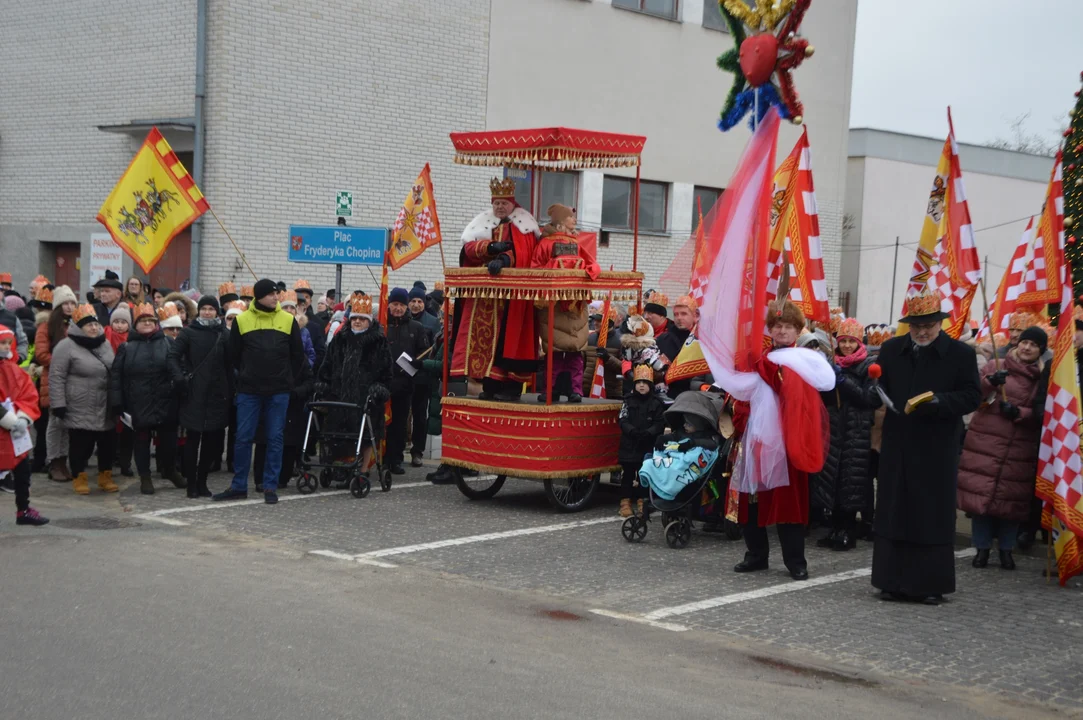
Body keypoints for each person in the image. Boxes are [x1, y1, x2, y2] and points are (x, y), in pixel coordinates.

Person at [871, 287, 981, 604]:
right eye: (916, 325)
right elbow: (882, 387)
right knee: (894, 510)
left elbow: (972, 396)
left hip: (936, 446)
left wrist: (939, 402)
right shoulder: (892, 350)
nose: (922, 331)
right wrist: (872, 390)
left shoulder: (961, 354)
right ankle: (890, 580)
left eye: (928, 325)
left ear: (940, 324)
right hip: (899, 443)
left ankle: (929, 585)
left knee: (929, 514)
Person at [733, 299, 821, 581]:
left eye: (788, 327)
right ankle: (755, 555)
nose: (782, 331)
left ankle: (795, 561)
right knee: (752, 500)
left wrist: (762, 363)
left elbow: (788, 390)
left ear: (798, 331)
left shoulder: (802, 360)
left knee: (789, 504)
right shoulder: (761, 357)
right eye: (777, 326)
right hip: (756, 439)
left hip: (788, 440)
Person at [957, 326, 1046, 571]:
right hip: (986, 442)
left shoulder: (1041, 376)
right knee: (982, 498)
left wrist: (1020, 413)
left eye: (1034, 345)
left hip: (1018, 446)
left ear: (1040, 351)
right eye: (1025, 342)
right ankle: (982, 549)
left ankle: (1007, 550)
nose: (1027, 348)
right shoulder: (996, 365)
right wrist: (989, 382)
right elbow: (973, 396)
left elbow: (1042, 410)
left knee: (1010, 501)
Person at [215, 279, 305, 505]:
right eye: (272, 294)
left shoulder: (287, 320)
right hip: (249, 390)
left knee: (275, 438)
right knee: (243, 437)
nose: (276, 297)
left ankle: (269, 486)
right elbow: (234, 355)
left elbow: (297, 355)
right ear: (260, 296)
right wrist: (246, 373)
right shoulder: (243, 320)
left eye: (277, 294)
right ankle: (239, 486)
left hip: (278, 391)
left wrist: (286, 379)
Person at [452, 177, 540, 401]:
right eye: (496, 203)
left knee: (508, 342)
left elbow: (523, 254)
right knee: (483, 343)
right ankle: (490, 384)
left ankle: (509, 388)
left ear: (513, 205)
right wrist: (490, 247)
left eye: (504, 203)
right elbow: (468, 250)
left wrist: (504, 259)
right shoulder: (483, 222)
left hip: (511, 298)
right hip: (484, 298)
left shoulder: (524, 226)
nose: (500, 207)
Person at [813, 317, 877, 551]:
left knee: (851, 481)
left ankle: (848, 531)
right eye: (843, 341)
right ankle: (834, 528)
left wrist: (842, 381)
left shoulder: (869, 365)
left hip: (855, 431)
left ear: (859, 342)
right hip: (834, 429)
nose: (847, 346)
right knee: (833, 480)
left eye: (851, 341)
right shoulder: (832, 362)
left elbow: (869, 397)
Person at [110, 303, 184, 495]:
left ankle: (170, 471)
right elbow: (116, 376)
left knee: (169, 441)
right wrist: (117, 402)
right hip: (138, 401)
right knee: (141, 441)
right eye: (143, 321)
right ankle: (145, 477)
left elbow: (178, 368)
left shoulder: (168, 343)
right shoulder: (126, 347)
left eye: (151, 321)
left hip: (165, 400)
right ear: (136, 325)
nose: (147, 324)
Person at [318, 294, 392, 475]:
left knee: (366, 435)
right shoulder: (339, 339)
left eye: (361, 319)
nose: (357, 322)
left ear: (369, 321)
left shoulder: (378, 342)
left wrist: (379, 389)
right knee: (338, 433)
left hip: (366, 399)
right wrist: (323, 384)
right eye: (354, 318)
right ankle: (339, 468)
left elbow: (386, 374)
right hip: (340, 396)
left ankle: (363, 469)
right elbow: (327, 365)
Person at [531, 204, 598, 403]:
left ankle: (574, 390)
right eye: (570, 216)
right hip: (554, 304)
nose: (574, 220)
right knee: (555, 351)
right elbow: (536, 269)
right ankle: (551, 389)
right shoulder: (545, 244)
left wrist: (587, 272)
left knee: (576, 352)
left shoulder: (577, 242)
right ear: (561, 221)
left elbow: (591, 264)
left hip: (576, 304)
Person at [48, 304, 117, 494]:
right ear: (78, 327)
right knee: (81, 445)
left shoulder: (105, 344)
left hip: (105, 404)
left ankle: (105, 476)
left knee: (107, 444)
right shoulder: (65, 346)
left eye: (95, 324)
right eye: (88, 325)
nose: (93, 328)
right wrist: (58, 404)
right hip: (80, 404)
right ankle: (79, 476)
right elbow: (56, 376)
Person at [169, 296, 232, 499]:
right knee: (192, 440)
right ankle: (191, 484)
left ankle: (203, 482)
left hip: (217, 394)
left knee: (211, 443)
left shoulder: (224, 334)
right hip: (193, 393)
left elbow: (231, 364)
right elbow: (172, 357)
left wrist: (230, 391)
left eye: (211, 309)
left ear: (217, 312)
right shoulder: (188, 332)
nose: (207, 312)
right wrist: (179, 378)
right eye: (203, 308)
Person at [0, 326, 48, 525]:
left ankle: (24, 509)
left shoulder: (12, 368)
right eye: (2, 343)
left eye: (7, 343)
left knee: (22, 471)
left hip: (15, 431)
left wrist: (23, 417)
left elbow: (29, 394)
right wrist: (9, 420)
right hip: (7, 427)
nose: (5, 347)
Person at [384, 287, 430, 474]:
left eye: (401, 305)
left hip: (404, 383)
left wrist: (416, 364)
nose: (398, 308)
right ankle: (380, 457)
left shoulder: (416, 328)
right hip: (383, 383)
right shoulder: (381, 325)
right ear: (389, 305)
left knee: (400, 423)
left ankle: (395, 460)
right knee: (382, 422)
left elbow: (424, 353)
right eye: (394, 304)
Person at [37, 284, 78, 482]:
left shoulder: (77, 325)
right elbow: (41, 354)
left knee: (67, 423)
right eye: (65, 303)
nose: (69, 307)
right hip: (53, 380)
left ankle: (63, 461)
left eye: (72, 303)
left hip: (73, 381)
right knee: (54, 423)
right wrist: (64, 362)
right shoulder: (46, 327)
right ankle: (53, 461)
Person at [618, 365, 666, 517]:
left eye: (645, 383)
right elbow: (622, 419)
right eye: (638, 382)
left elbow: (660, 423)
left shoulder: (657, 403)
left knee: (644, 475)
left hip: (647, 444)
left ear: (650, 385)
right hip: (629, 443)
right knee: (628, 474)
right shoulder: (627, 400)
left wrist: (648, 432)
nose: (641, 385)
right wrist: (631, 431)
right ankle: (625, 502)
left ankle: (642, 501)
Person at [655, 295, 697, 397]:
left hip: (695, 395)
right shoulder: (663, 339)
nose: (679, 318)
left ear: (694, 315)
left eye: (684, 314)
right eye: (676, 314)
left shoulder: (701, 340)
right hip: (668, 395)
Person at [295, 279, 326, 371]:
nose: (303, 300)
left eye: (306, 297)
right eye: (299, 297)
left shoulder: (317, 322)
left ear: (310, 300)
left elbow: (320, 352)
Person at [280, 291, 316, 367]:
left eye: (292, 308)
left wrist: (306, 368)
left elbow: (311, 354)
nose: (289, 310)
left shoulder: (304, 331)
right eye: (285, 307)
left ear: (296, 311)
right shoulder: (276, 328)